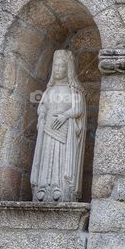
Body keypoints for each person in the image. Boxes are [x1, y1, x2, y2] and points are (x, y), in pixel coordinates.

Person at [31, 50, 87, 202]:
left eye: (61, 66)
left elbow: (78, 109)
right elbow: (42, 107)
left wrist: (65, 116)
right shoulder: (49, 90)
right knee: (46, 155)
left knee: (60, 157)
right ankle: (42, 187)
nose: (57, 69)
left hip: (65, 132)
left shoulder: (74, 90)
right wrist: (43, 114)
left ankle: (59, 188)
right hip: (47, 130)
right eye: (55, 66)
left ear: (68, 69)